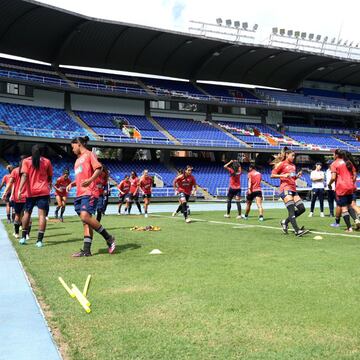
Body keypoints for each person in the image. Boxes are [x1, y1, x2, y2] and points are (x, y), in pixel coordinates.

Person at [66, 136, 115, 257]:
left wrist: (90, 179)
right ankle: (86, 251)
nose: (72, 150)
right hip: (79, 193)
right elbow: (80, 178)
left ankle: (109, 238)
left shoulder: (89, 154)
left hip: (90, 192)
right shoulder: (77, 161)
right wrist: (72, 184)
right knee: (85, 221)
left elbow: (99, 168)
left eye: (73, 147)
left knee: (85, 216)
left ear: (78, 144)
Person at [18, 145, 53, 247]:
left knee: (27, 213)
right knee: (42, 215)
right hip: (43, 191)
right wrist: (49, 183)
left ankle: (23, 237)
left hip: (31, 192)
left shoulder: (26, 161)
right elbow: (50, 175)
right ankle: (39, 241)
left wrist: (20, 189)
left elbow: (24, 175)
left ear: (31, 152)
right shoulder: (47, 161)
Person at [271, 149, 308, 237]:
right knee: (291, 210)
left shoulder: (293, 166)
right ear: (287, 155)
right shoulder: (281, 164)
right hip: (285, 189)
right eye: (292, 155)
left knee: (302, 209)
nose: (294, 157)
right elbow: (272, 175)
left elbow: (291, 178)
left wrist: (296, 176)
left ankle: (285, 222)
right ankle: (297, 230)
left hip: (293, 189)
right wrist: (282, 175)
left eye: (294, 156)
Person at [328, 149, 357, 232]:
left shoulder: (334, 163)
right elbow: (354, 175)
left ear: (337, 155)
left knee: (343, 208)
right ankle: (356, 220)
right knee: (350, 205)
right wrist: (351, 183)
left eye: (333, 154)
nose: (333, 156)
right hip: (350, 186)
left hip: (341, 187)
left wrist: (329, 184)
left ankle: (349, 228)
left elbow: (333, 177)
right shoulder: (348, 162)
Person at [1, 157, 29, 239]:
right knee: (27, 215)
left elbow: (10, 184)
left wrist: (5, 192)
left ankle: (16, 233)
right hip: (28, 196)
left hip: (17, 196)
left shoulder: (15, 171)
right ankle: (27, 234)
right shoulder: (30, 170)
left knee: (17, 214)